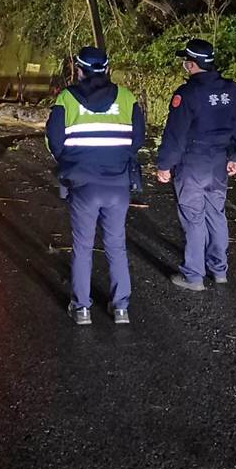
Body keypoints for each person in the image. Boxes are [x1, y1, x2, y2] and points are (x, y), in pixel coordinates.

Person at [46, 46, 145, 325]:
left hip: (83, 184)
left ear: (78, 69)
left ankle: (82, 309)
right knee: (116, 245)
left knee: (83, 246)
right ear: (106, 68)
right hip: (118, 184)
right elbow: (137, 139)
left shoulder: (67, 99)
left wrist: (71, 162)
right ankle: (121, 308)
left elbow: (54, 141)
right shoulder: (126, 98)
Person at [156, 39, 236, 291]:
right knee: (216, 214)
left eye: (186, 60)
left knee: (194, 218)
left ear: (191, 64)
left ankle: (193, 276)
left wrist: (164, 165)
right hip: (219, 162)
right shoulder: (233, 90)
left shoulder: (186, 94)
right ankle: (219, 270)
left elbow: (175, 134)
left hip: (193, 163)